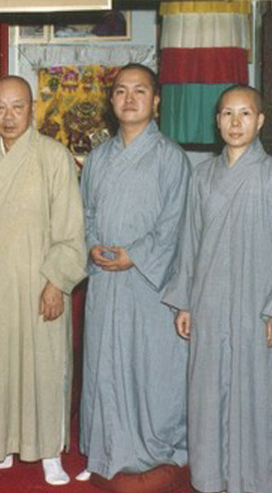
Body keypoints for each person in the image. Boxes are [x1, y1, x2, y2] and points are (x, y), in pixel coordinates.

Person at [0, 76, 86, 485]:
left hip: (38, 281)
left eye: (18, 107)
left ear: (33, 108)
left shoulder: (54, 156)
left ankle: (48, 450)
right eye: (0, 108)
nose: (8, 116)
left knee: (43, 368)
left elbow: (70, 229)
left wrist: (57, 282)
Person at [78, 63, 189, 480]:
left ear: (155, 101)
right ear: (111, 101)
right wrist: (92, 243)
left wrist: (135, 256)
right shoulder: (99, 157)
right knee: (104, 361)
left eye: (139, 91)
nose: (129, 99)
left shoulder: (170, 157)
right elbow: (86, 211)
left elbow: (175, 224)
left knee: (149, 366)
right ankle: (107, 448)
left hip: (148, 282)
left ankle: (157, 445)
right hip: (106, 278)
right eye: (121, 91)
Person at [163, 85, 272, 493]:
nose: (236, 123)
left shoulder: (268, 175)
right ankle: (210, 478)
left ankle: (256, 480)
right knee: (207, 391)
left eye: (245, 114)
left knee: (256, 393)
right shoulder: (203, 175)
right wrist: (184, 302)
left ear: (260, 121)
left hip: (254, 304)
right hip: (209, 300)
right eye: (227, 114)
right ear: (216, 120)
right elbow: (189, 242)